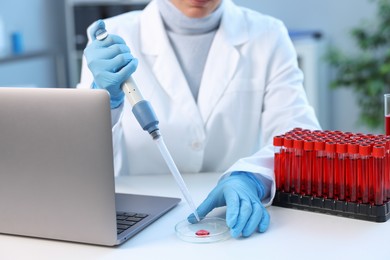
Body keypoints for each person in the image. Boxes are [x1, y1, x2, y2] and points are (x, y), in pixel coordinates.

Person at [78, 0, 321, 238]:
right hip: (142, 223)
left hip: (230, 213)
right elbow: (82, 162)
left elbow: (300, 136)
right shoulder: (112, 38)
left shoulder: (268, 35)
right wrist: (105, 105)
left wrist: (253, 176)